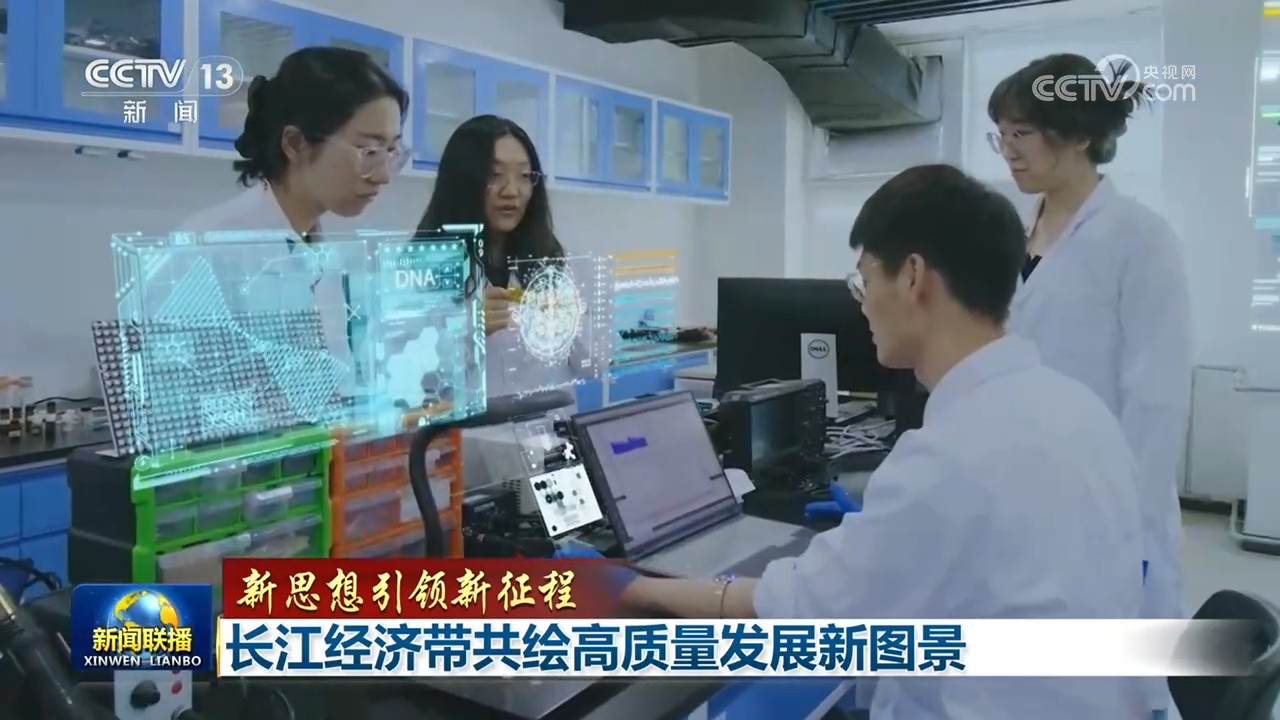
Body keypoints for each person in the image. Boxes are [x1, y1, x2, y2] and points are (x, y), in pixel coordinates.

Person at [591, 164, 1148, 719]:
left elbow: (798, 610)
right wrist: (889, 533)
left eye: (865, 281)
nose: (862, 304)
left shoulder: (949, 455)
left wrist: (637, 589)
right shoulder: (1078, 408)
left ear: (913, 277)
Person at [987, 54, 1192, 715]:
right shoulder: (1015, 236)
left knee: (1112, 686)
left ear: (1077, 135)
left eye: (1021, 133)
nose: (1008, 150)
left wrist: (1122, 522)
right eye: (1001, 134)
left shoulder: (1140, 238)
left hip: (1108, 507)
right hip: (1025, 490)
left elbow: (1156, 402)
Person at [176, 46, 409, 394]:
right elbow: (183, 394)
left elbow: (335, 382)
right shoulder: (205, 246)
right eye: (369, 151)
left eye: (391, 151)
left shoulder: (318, 251)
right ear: (296, 143)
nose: (384, 175)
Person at [416, 115, 583, 399]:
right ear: (461, 181)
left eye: (524, 176)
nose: (511, 191)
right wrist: (469, 333)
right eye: (494, 175)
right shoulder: (422, 269)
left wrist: (571, 319)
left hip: (550, 426)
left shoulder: (553, 263)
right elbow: (412, 384)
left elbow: (594, 365)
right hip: (474, 428)